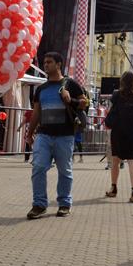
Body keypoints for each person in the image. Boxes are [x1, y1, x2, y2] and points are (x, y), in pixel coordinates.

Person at [24, 52, 88, 219]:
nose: (46, 65)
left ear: (59, 64)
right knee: (38, 167)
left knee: (65, 171)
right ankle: (39, 204)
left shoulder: (71, 84)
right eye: (44, 62)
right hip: (44, 135)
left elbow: (85, 103)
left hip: (65, 135)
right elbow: (36, 112)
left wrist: (70, 100)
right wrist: (29, 133)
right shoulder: (41, 89)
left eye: (49, 62)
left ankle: (64, 204)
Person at [104, 71, 133, 202]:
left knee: (116, 160)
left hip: (118, 132)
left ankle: (114, 188)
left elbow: (111, 111)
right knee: (132, 161)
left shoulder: (116, 95)